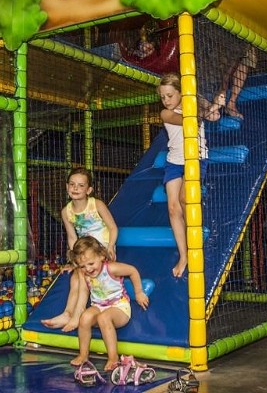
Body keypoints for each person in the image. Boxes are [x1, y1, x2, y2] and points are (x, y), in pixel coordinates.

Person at [158, 73, 222, 278]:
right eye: (163, 97)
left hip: (196, 158)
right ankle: (184, 255)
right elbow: (188, 122)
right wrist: (212, 107)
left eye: (169, 95)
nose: (166, 100)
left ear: (180, 92)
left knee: (186, 198)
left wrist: (214, 106)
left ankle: (195, 241)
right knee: (172, 207)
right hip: (174, 162)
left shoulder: (194, 101)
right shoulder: (165, 114)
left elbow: (214, 117)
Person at [42, 168, 118, 331]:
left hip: (101, 247)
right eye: (72, 184)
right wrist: (74, 260)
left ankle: (75, 315)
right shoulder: (66, 211)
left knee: (80, 274)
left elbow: (112, 227)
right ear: (67, 186)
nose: (75, 188)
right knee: (76, 275)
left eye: (81, 185)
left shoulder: (96, 204)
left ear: (88, 190)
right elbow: (72, 237)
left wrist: (111, 246)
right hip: (84, 251)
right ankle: (68, 313)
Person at [68, 236, 149, 372]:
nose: (87, 269)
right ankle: (83, 355)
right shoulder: (84, 274)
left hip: (119, 307)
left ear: (101, 256)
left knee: (103, 318)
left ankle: (113, 358)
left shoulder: (111, 268)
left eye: (91, 263)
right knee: (85, 318)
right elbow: (83, 293)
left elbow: (132, 271)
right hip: (98, 306)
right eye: (82, 266)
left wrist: (139, 292)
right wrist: (78, 314)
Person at [217, 44, 257, 120]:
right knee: (230, 61)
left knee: (245, 61)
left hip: (247, 38)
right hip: (230, 41)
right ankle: (219, 101)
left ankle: (231, 104)